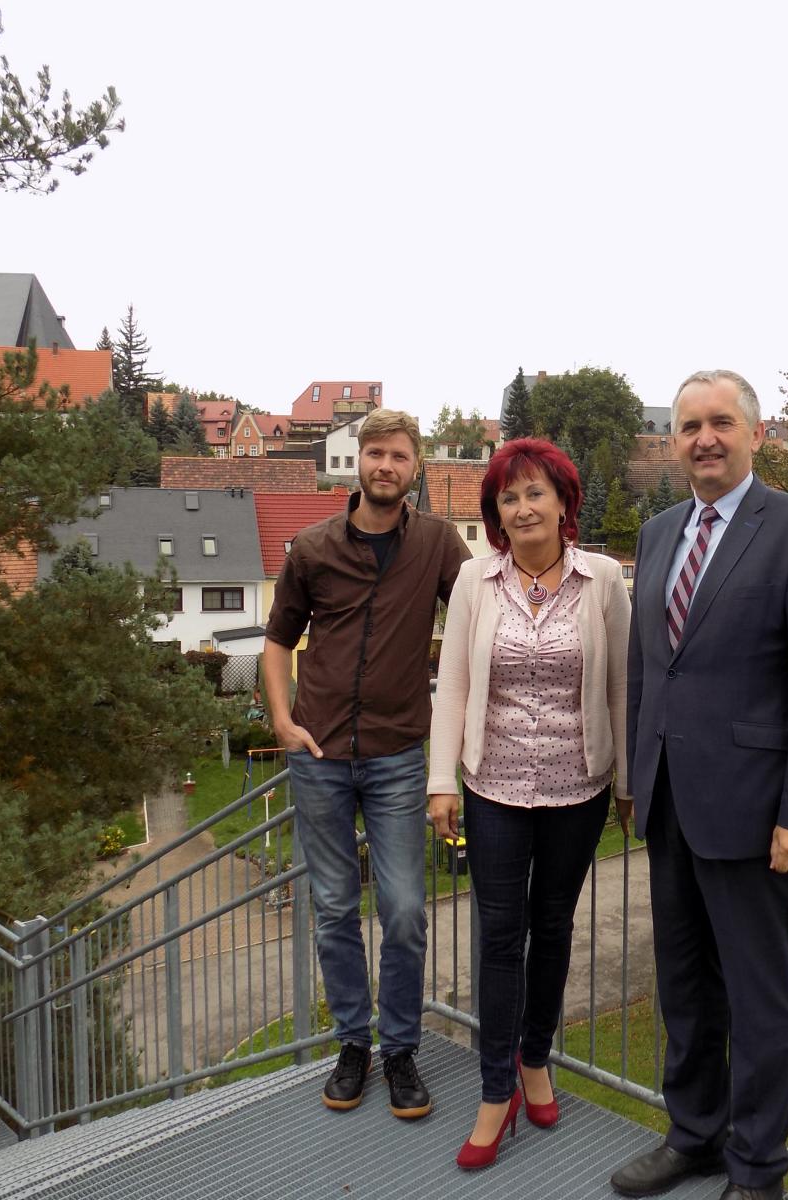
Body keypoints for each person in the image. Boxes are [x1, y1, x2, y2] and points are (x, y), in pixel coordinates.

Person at [609, 371, 788, 1200]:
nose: (704, 438)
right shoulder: (658, 533)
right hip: (670, 799)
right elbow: (649, 667)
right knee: (682, 983)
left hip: (755, 811)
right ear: (673, 442)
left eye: (720, 423)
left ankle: (756, 1171)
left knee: (757, 998)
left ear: (756, 433)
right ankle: (695, 1137)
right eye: (689, 426)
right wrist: (638, 774)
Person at [428, 438, 633, 1171]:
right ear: (496, 514)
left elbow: (618, 687)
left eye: (535, 492)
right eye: (508, 498)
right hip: (494, 788)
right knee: (497, 936)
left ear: (563, 502)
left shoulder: (603, 580)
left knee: (552, 930)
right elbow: (451, 684)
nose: (522, 507)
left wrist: (628, 782)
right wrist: (441, 779)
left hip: (579, 786)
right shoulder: (474, 582)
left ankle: (536, 1061)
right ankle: (494, 1090)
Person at [262, 408, 470, 1120]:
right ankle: (354, 1043)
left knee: (407, 908)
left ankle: (401, 1049)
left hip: (397, 756)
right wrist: (283, 720)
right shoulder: (314, 547)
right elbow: (276, 639)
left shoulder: (440, 544)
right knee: (331, 909)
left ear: (416, 467)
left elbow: (475, 619)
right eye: (375, 454)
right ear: (359, 460)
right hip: (319, 755)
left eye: (399, 456)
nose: (386, 466)